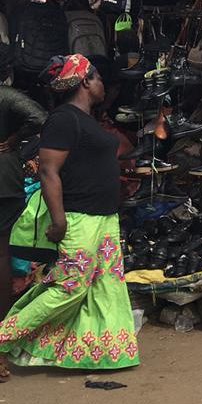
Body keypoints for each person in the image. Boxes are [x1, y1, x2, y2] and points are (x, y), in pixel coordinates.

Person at [0, 54, 139, 379]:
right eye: (99, 78)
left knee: (106, 285)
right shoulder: (64, 119)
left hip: (103, 219)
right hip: (79, 218)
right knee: (70, 287)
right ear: (85, 81)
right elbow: (49, 170)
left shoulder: (85, 119)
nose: (104, 84)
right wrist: (59, 219)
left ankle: (98, 351)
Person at [0, 46, 47, 327]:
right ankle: (3, 323)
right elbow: (40, 118)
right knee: (3, 252)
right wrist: (15, 141)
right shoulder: (6, 96)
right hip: (4, 178)